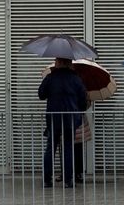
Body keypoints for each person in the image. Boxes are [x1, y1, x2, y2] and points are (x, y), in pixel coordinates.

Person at [38, 57, 87, 188]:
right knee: (68, 148)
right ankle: (68, 180)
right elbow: (83, 100)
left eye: (56, 60)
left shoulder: (50, 77)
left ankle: (47, 180)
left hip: (53, 118)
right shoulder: (76, 79)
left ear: (59, 63)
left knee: (50, 148)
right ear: (69, 63)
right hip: (70, 118)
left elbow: (41, 94)